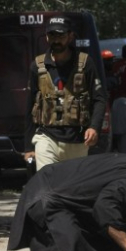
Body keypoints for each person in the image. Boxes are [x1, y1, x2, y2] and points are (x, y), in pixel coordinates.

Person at [25, 16, 107, 171]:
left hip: (77, 139)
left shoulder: (85, 63)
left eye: (61, 36)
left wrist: (94, 127)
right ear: (47, 36)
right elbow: (30, 106)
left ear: (70, 36)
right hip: (46, 136)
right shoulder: (37, 66)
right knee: (47, 182)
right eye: (52, 35)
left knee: (73, 187)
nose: (56, 40)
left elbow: (99, 98)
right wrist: (28, 146)